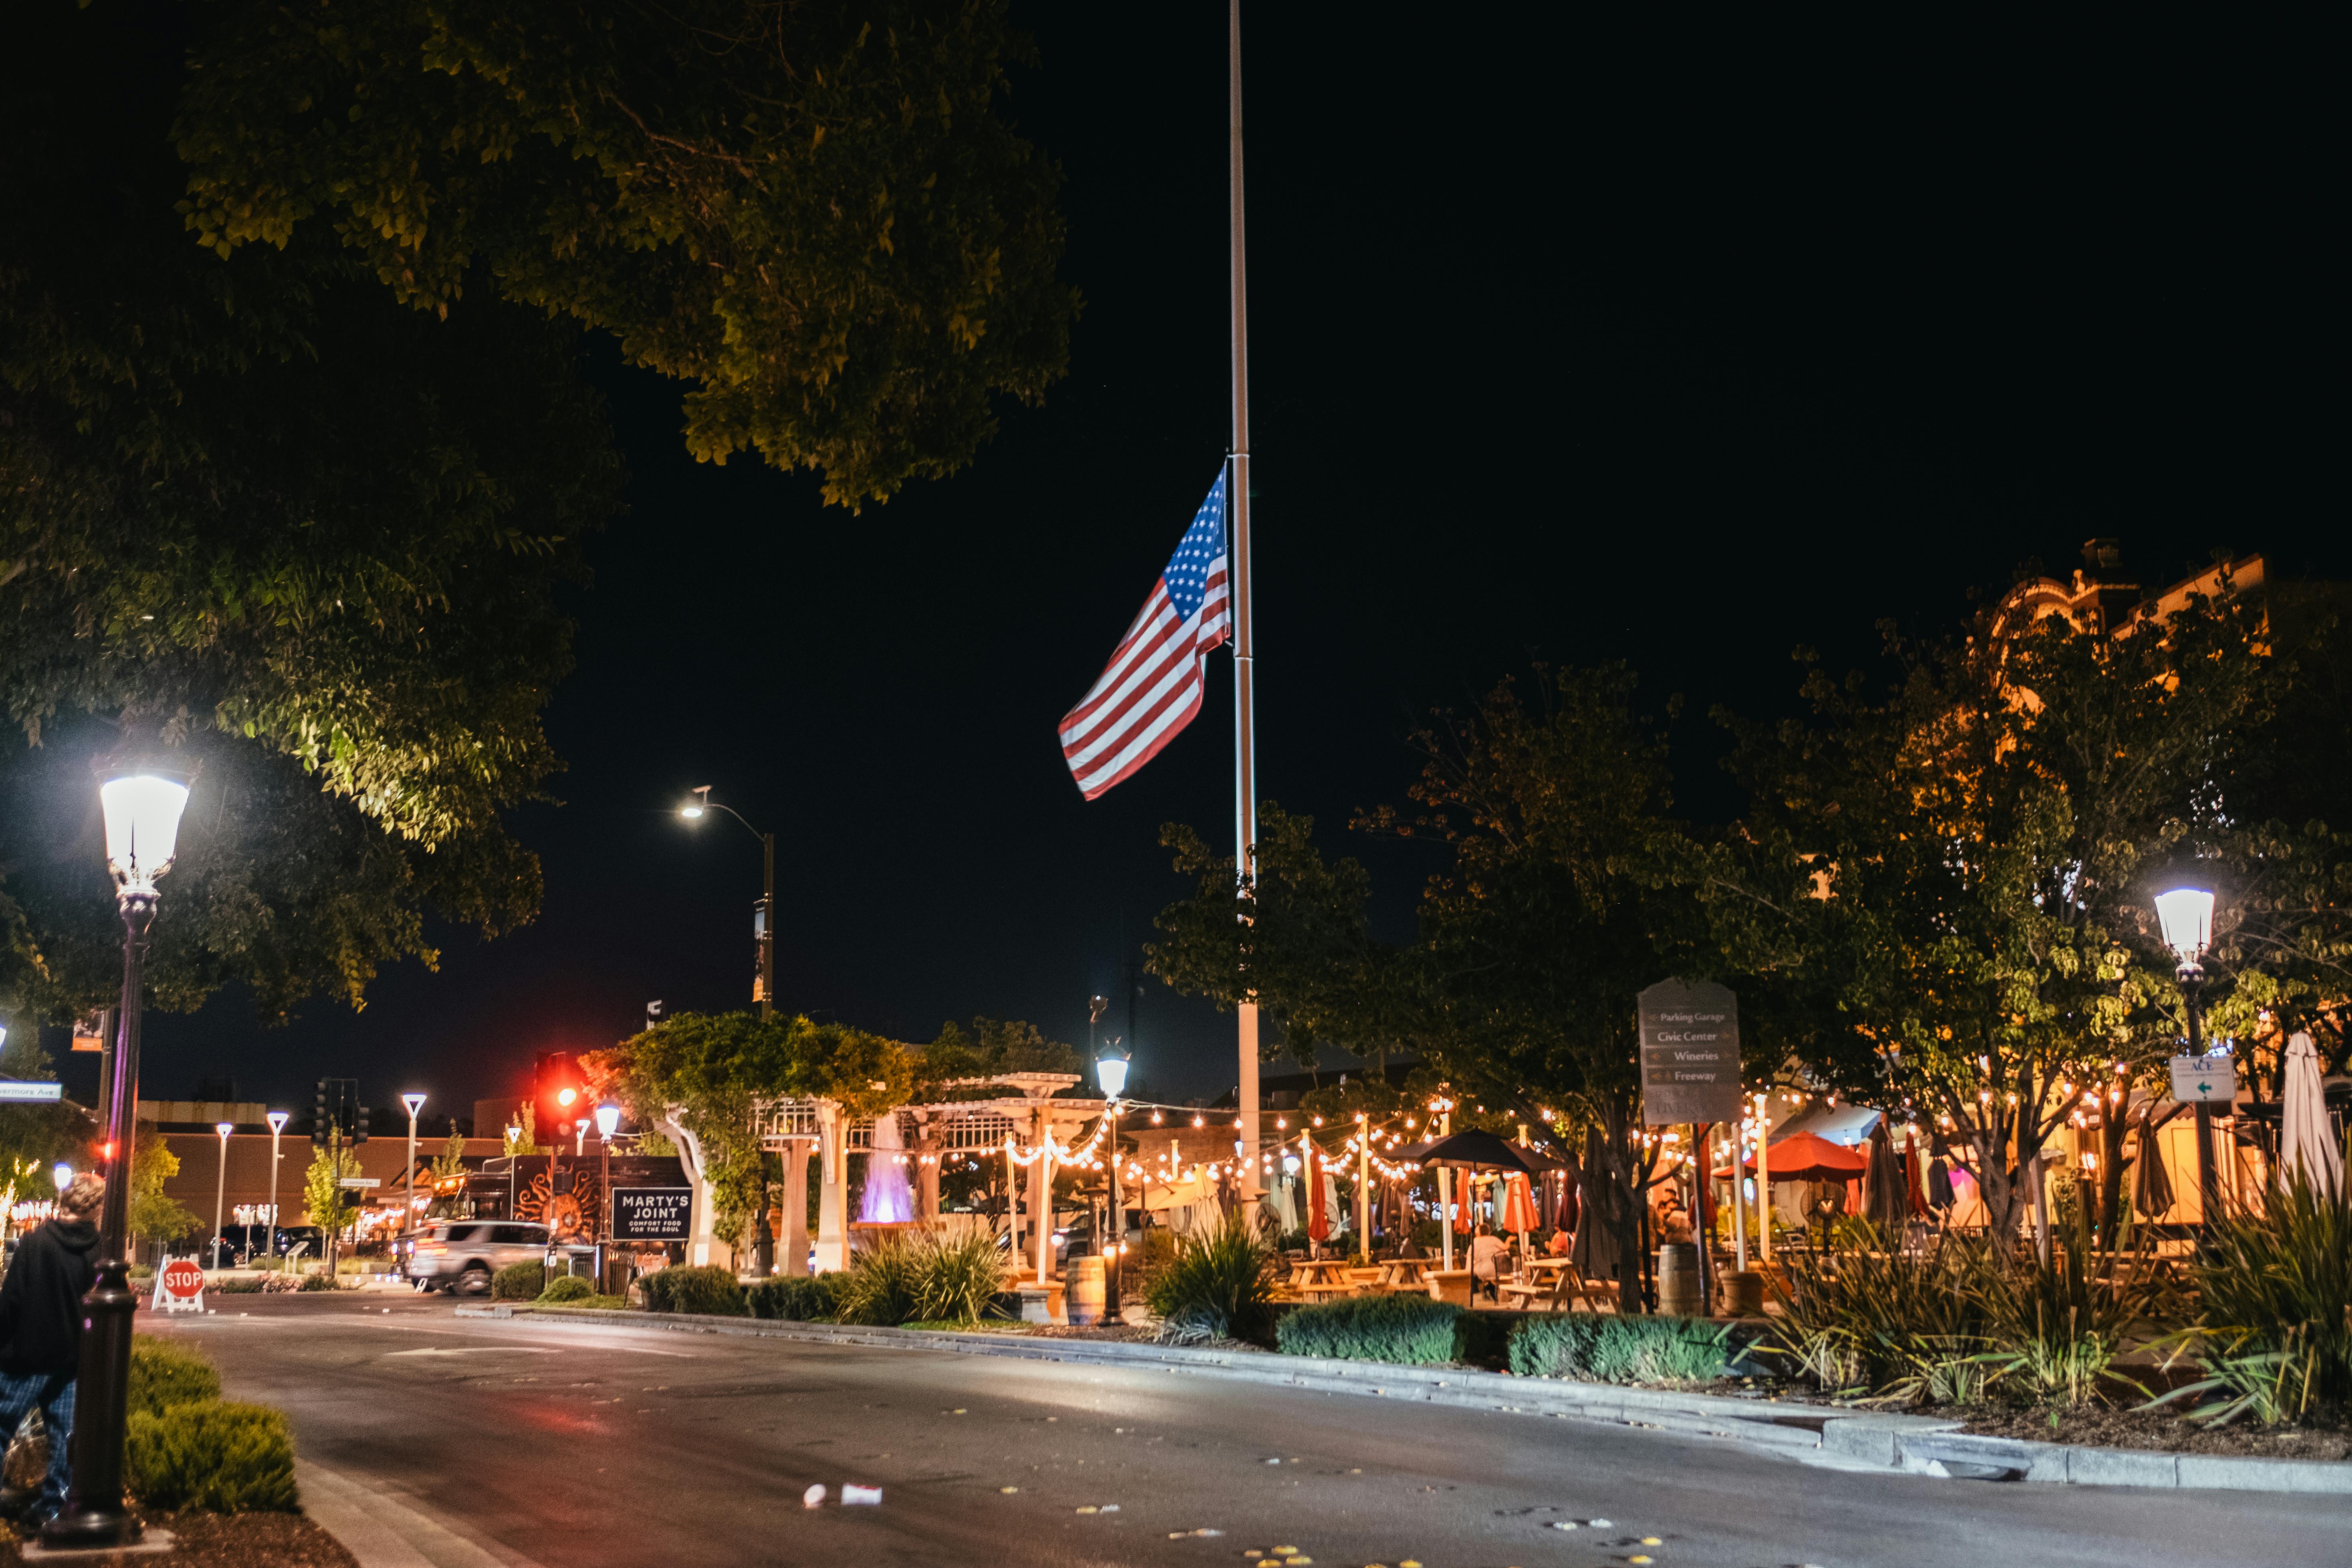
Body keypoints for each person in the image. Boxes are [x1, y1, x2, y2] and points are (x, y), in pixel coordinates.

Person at [0, 1172, 104, 1526]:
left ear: (65, 1199)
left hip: (26, 1357)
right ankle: (52, 1507)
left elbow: (11, 1300)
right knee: (65, 1435)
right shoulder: (100, 1251)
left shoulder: (36, 1242)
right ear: (96, 1207)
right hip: (72, 1359)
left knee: (2, 1426)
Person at [1465, 1223, 1510, 1302]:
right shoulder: (1493, 1239)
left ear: (1478, 1233)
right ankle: (1490, 1287)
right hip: (1498, 1270)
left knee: (1474, 1268)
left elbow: (1470, 1258)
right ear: (1488, 1231)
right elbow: (1506, 1247)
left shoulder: (1475, 1242)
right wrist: (1509, 1240)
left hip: (1482, 1271)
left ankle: (1486, 1287)